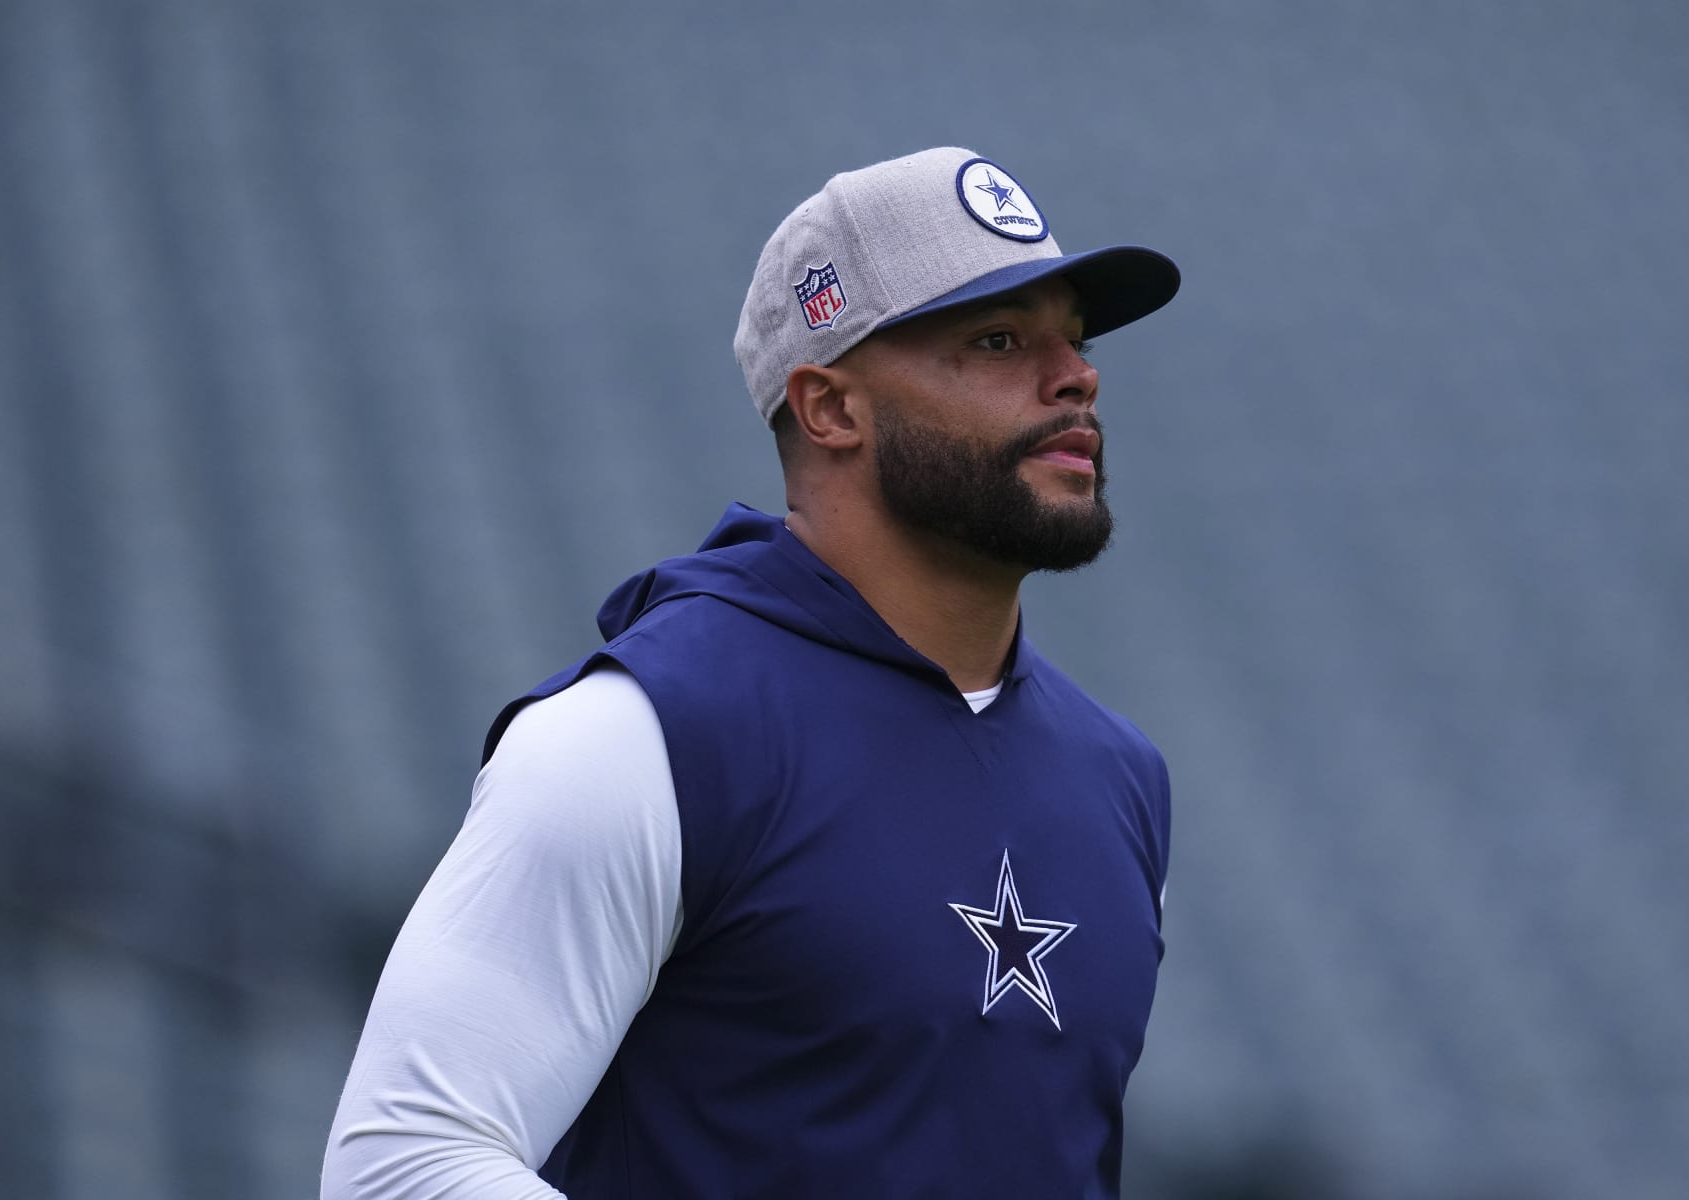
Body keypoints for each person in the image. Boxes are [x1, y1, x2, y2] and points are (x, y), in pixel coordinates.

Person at [322, 145, 1178, 1199]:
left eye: (1076, 340)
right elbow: (402, 1162)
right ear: (829, 409)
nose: (1075, 376)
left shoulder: (1122, 779)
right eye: (997, 340)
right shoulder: (644, 734)